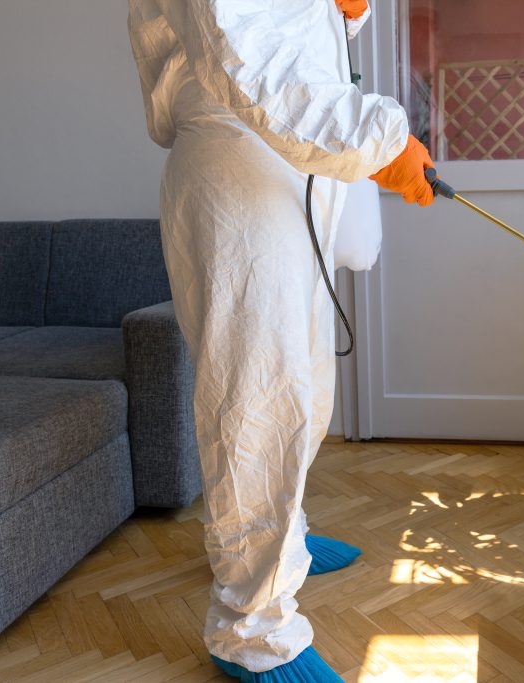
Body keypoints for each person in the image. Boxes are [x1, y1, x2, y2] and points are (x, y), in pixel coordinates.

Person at [127, 1, 435, 680]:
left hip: (286, 161)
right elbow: (249, 53)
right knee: (255, 401)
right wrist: (380, 143)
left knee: (302, 382)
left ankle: (280, 538)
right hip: (239, 161)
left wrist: (341, 13)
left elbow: (285, 32)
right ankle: (253, 633)